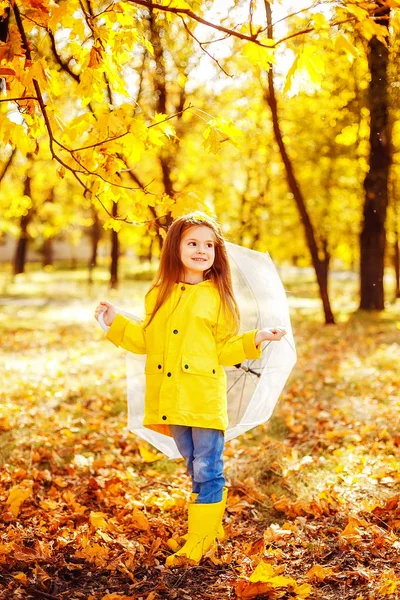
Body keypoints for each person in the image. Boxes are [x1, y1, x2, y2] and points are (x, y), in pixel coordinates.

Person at [94, 212, 286, 566]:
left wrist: (255, 338)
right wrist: (115, 322)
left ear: (217, 252)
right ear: (175, 248)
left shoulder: (219, 297)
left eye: (209, 245)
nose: (202, 250)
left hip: (204, 397)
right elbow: (146, 340)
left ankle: (200, 539)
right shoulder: (158, 295)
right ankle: (207, 529)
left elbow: (225, 348)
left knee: (208, 467)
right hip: (171, 397)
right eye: (193, 243)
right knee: (191, 464)